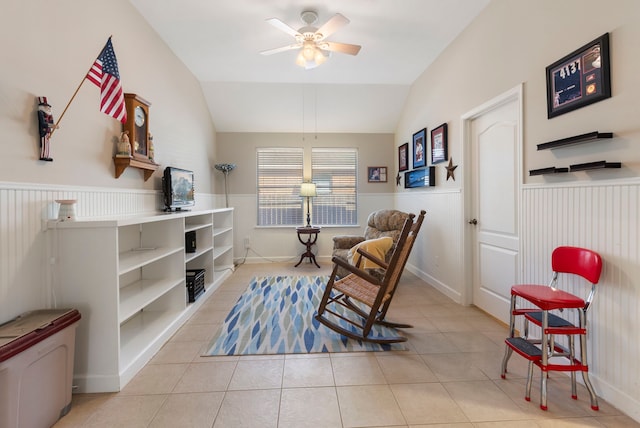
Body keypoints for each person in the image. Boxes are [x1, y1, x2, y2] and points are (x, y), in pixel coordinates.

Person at [37, 96, 56, 161]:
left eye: (48, 106)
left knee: (48, 144)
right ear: (41, 106)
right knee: (44, 143)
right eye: (45, 106)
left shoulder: (50, 115)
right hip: (44, 130)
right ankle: (43, 155)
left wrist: (53, 126)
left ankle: (47, 155)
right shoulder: (40, 113)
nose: (48, 108)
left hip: (48, 131)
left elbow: (52, 123)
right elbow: (42, 123)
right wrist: (52, 125)